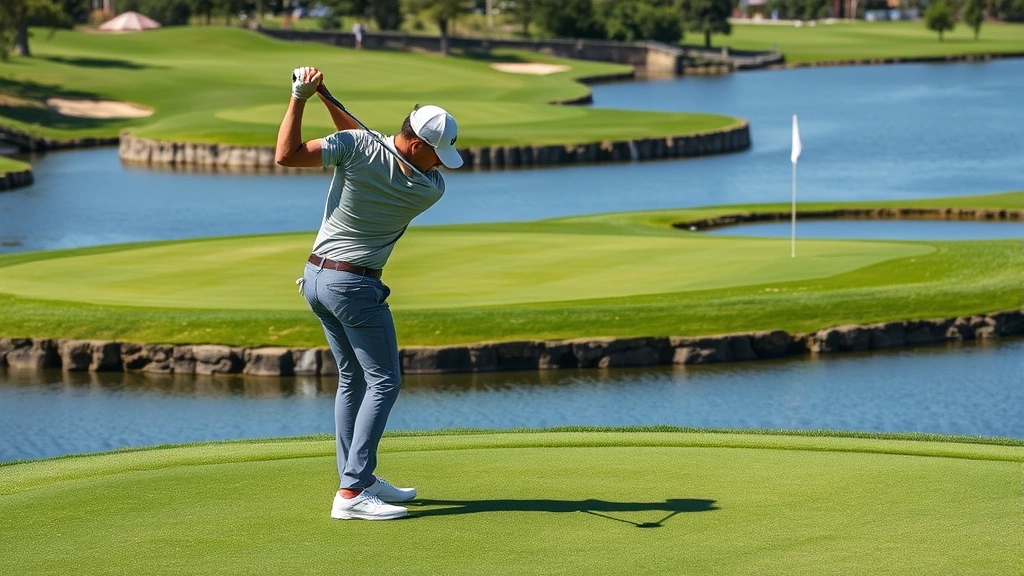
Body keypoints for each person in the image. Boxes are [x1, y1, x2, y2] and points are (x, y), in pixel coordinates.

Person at [276, 67, 464, 520]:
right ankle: (353, 492)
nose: (441, 164)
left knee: (351, 379)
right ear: (417, 145)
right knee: (384, 381)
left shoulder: (362, 151)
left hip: (316, 279)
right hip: (355, 287)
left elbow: (288, 155)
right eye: (437, 154)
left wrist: (302, 97)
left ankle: (355, 476)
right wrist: (321, 98)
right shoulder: (427, 188)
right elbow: (367, 143)